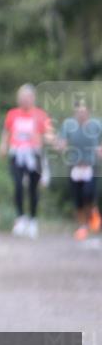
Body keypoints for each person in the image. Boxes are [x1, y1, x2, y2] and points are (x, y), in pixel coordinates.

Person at [0, 84, 54, 238]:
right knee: (17, 185)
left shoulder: (41, 115)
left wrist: (44, 138)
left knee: (33, 189)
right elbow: (7, 132)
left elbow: (49, 135)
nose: (24, 100)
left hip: (34, 154)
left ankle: (33, 220)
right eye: (21, 97)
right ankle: (21, 218)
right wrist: (3, 146)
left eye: (27, 97)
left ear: (33, 98)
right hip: (17, 154)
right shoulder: (12, 114)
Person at [55, 98, 102, 241]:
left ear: (88, 112)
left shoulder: (96, 125)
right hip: (74, 167)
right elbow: (62, 141)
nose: (81, 114)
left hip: (90, 167)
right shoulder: (68, 125)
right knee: (78, 199)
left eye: (84, 111)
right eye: (78, 111)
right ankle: (82, 226)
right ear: (75, 112)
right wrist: (59, 146)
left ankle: (92, 213)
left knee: (88, 193)